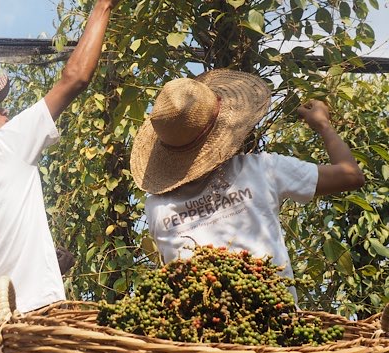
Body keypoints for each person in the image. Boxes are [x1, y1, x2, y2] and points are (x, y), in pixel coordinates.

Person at [0, 0, 119, 324]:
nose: (4, 111)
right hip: (31, 321)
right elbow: (75, 78)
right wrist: (103, 6)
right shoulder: (6, 145)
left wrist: (31, 261)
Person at [130, 69, 365, 300]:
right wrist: (322, 125)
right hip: (276, 326)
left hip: (197, 334)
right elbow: (350, 175)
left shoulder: (157, 209)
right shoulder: (261, 169)